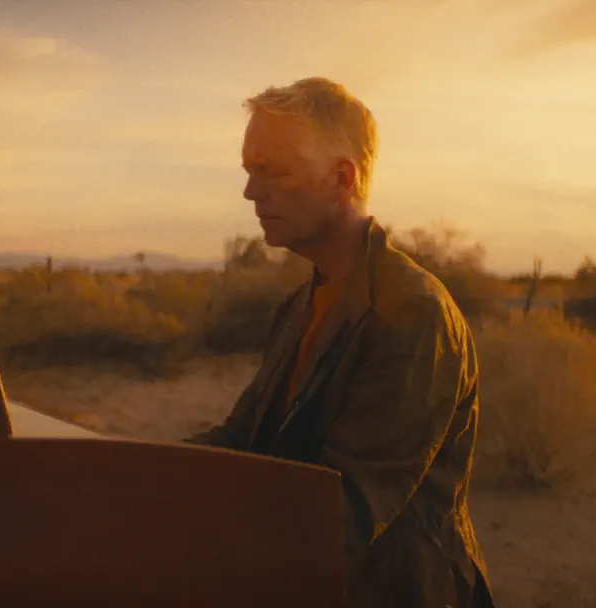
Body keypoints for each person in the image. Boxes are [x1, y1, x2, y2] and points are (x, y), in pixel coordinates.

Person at [183, 77, 495, 608]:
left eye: (274, 171)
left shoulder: (414, 313)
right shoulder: (299, 306)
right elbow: (243, 440)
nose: (251, 192)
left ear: (341, 178)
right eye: (249, 171)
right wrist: (127, 468)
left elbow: (346, 511)